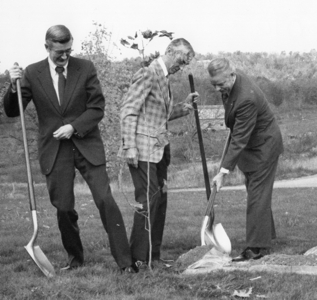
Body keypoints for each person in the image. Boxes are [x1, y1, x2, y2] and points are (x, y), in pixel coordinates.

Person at [4, 25, 135, 273]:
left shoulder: (85, 68)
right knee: (64, 208)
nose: (64, 56)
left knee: (106, 200)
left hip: (86, 144)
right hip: (55, 150)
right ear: (47, 47)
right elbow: (13, 111)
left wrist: (74, 127)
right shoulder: (32, 73)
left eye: (68, 50)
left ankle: (126, 263)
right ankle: (76, 260)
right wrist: (13, 86)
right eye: (59, 52)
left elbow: (97, 107)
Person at [119, 38, 199, 269]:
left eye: (185, 63)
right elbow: (128, 111)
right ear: (170, 51)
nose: (181, 66)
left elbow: (158, 116)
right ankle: (137, 258)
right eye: (181, 60)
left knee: (159, 200)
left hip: (160, 149)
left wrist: (183, 108)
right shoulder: (148, 74)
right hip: (142, 149)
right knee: (148, 200)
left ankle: (153, 255)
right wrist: (129, 146)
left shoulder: (164, 79)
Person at [208, 58, 283, 262]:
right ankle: (265, 236)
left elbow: (239, 137)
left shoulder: (245, 98)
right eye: (213, 84)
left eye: (220, 84)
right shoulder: (232, 84)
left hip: (263, 147)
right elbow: (236, 131)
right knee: (258, 192)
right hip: (252, 145)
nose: (217, 88)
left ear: (232, 75)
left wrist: (223, 172)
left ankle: (256, 248)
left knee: (257, 195)